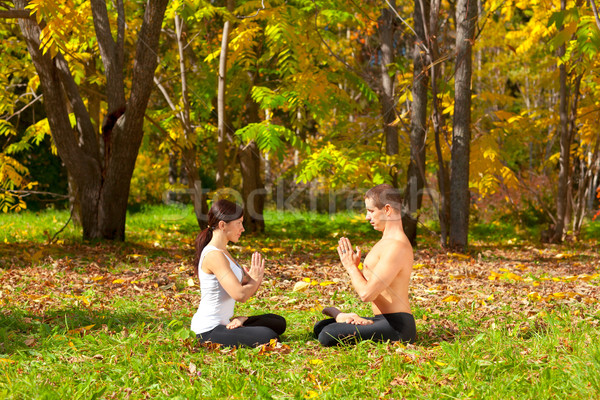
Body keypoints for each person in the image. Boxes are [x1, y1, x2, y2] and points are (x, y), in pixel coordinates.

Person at [314, 184, 417, 346]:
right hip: (382, 320)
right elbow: (377, 286)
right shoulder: (386, 242)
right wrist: (357, 268)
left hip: (398, 327)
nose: (367, 217)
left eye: (371, 211)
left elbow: (367, 294)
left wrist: (351, 267)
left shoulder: (397, 246)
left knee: (328, 334)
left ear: (387, 210)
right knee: (321, 327)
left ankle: (341, 316)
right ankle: (346, 317)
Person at [191, 199, 286, 347]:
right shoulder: (214, 255)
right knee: (270, 336)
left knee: (278, 322)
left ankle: (240, 321)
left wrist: (253, 278)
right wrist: (255, 280)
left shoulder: (224, 251)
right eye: (239, 223)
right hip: (208, 330)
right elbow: (240, 295)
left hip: (225, 323)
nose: (243, 229)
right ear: (222, 225)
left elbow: (244, 285)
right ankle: (237, 326)